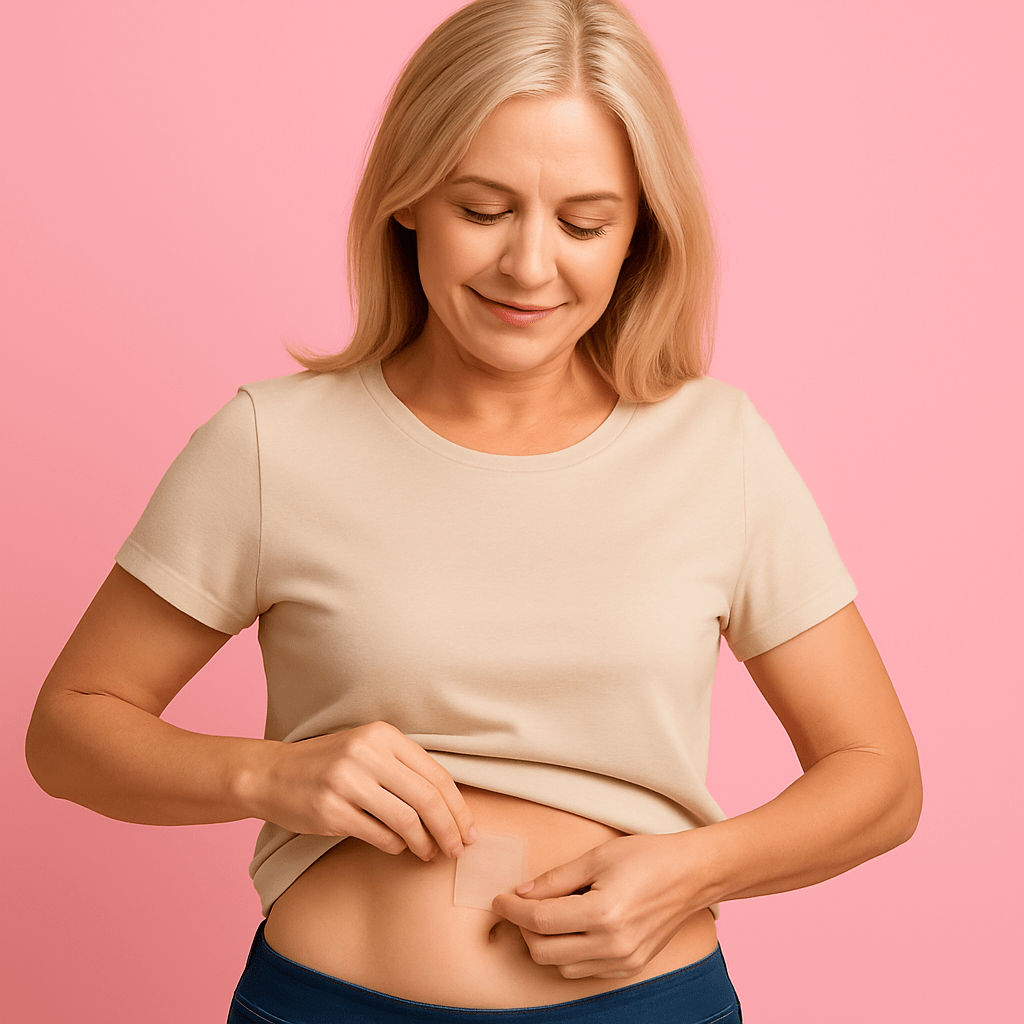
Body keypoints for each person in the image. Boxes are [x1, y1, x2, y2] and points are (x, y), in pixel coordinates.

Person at [25, 0, 923, 1021]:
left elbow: (879, 776)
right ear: (408, 199)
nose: (529, 266)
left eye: (585, 221)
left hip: (641, 1006)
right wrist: (270, 777)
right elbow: (69, 733)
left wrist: (690, 870)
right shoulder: (272, 444)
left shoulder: (718, 449)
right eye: (482, 209)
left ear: (639, 232)